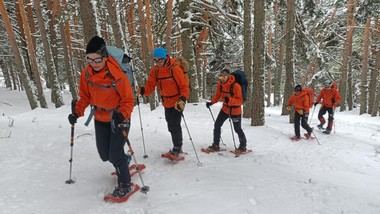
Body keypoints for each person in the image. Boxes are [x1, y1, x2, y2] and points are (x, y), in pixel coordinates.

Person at [67, 36, 134, 198]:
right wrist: (77, 112)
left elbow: (128, 99)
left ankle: (125, 183)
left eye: (97, 59)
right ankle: (124, 160)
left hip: (119, 118)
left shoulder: (116, 74)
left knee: (114, 154)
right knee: (105, 155)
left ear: (104, 56)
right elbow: (85, 96)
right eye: (89, 59)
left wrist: (122, 115)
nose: (94, 63)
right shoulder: (86, 74)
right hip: (100, 117)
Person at [138, 47, 189, 160]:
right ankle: (177, 146)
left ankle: (177, 147)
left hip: (177, 102)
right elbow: (150, 85)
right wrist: (143, 91)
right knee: (170, 125)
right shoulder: (155, 70)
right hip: (166, 102)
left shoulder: (174, 69)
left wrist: (182, 99)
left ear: (166, 58)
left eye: (159, 60)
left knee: (175, 124)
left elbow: (184, 86)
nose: (157, 63)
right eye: (155, 60)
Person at [206, 69, 247, 153]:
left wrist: (230, 100)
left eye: (224, 76)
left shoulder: (235, 86)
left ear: (228, 76)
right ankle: (216, 145)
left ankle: (243, 146)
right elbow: (217, 95)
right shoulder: (220, 84)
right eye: (221, 76)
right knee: (217, 125)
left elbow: (240, 101)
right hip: (225, 109)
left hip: (235, 111)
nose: (222, 78)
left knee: (237, 129)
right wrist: (211, 102)